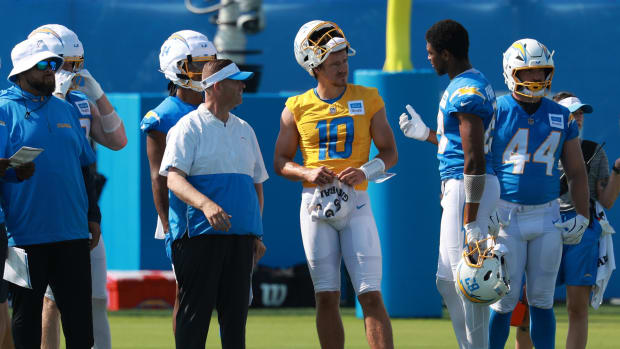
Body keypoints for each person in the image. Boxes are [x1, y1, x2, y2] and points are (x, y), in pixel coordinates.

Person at [274, 20, 397, 349]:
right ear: (314, 65)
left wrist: (365, 170)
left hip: (355, 202)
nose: (343, 67)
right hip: (315, 205)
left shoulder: (369, 98)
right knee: (326, 295)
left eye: (344, 59)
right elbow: (280, 162)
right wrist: (307, 173)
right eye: (334, 62)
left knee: (370, 294)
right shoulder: (296, 108)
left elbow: (390, 152)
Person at [399, 19, 500, 349]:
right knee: (447, 281)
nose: (428, 59)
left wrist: (471, 217)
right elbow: (459, 145)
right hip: (464, 184)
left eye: (431, 53)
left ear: (445, 53)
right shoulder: (470, 82)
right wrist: (428, 134)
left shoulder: (465, 90)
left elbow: (474, 157)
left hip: (467, 187)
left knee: (469, 280)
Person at [27, 23, 128, 349]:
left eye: (75, 65)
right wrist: (55, 99)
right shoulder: (20, 105)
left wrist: (97, 92)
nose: (70, 73)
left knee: (96, 299)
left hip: (82, 213)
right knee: (46, 303)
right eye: (64, 65)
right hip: (37, 216)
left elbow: (118, 140)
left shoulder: (82, 103)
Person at [487, 39, 590, 349]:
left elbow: (576, 172)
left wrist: (582, 216)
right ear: (511, 72)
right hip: (505, 215)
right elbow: (478, 166)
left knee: (542, 300)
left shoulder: (561, 115)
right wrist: (480, 210)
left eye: (541, 72)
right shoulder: (496, 110)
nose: (535, 79)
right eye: (528, 73)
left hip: (547, 215)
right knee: (503, 302)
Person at [161, 58, 267, 348]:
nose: (243, 86)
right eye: (237, 81)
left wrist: (256, 233)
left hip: (240, 241)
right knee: (194, 321)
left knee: (235, 324)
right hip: (198, 238)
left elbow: (255, 183)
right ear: (217, 86)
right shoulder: (188, 127)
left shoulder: (245, 128)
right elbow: (174, 179)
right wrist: (206, 205)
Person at [0, 38, 98, 348]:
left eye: (55, 64)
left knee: (81, 324)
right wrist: (11, 170)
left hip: (72, 234)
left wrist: (93, 216)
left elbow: (86, 167)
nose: (52, 71)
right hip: (23, 238)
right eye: (43, 65)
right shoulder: (3, 110)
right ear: (22, 69)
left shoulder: (65, 109)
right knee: (26, 319)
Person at [513, 92, 620, 349]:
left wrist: (617, 171)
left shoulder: (594, 151)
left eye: (581, 113)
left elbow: (606, 200)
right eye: (573, 113)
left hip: (583, 230)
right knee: (527, 304)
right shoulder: (538, 150)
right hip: (541, 225)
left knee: (576, 307)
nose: (578, 118)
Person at [140, 29, 217, 335]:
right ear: (176, 68)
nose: (204, 71)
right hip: (183, 215)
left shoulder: (214, 104)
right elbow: (159, 177)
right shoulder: (163, 116)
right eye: (197, 64)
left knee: (222, 296)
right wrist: (168, 226)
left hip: (217, 205)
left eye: (207, 62)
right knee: (187, 295)